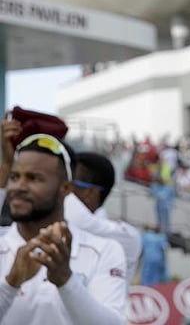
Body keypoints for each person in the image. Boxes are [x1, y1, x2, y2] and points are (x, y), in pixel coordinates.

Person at [0, 134, 127, 324]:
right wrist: (9, 285)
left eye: (34, 178)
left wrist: (66, 281)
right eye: (14, 177)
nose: (19, 186)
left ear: (66, 188)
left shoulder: (103, 251)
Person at [65, 151, 143, 285]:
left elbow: (80, 220)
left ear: (91, 193)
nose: (65, 189)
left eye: (71, 185)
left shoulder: (127, 237)